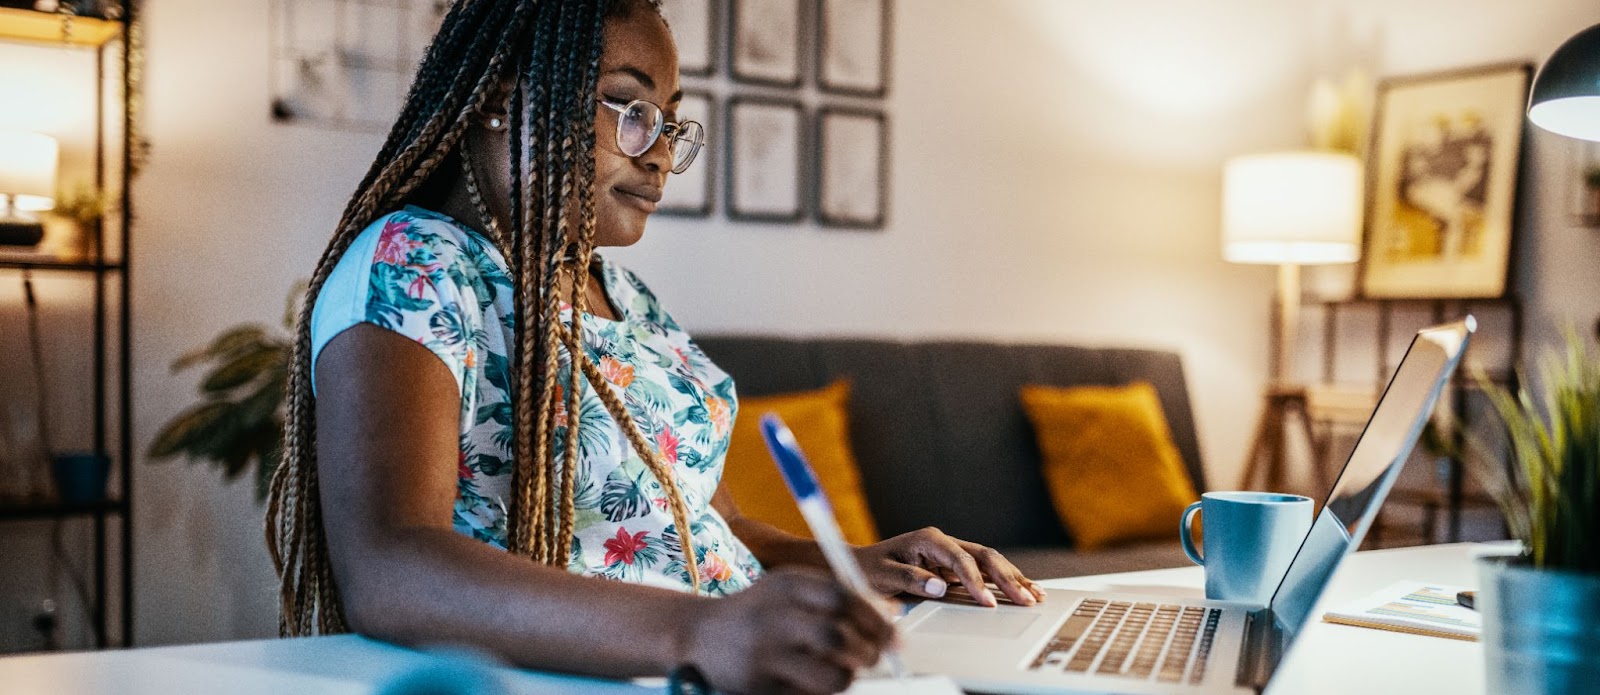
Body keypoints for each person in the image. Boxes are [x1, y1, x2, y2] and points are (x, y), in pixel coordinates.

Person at [266, 1, 1045, 693]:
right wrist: (697, 634)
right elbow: (393, 566)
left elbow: (718, 527)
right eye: (631, 107)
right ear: (503, 97)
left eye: (671, 120)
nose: (661, 151)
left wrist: (860, 561)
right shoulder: (415, 263)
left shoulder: (622, 295)